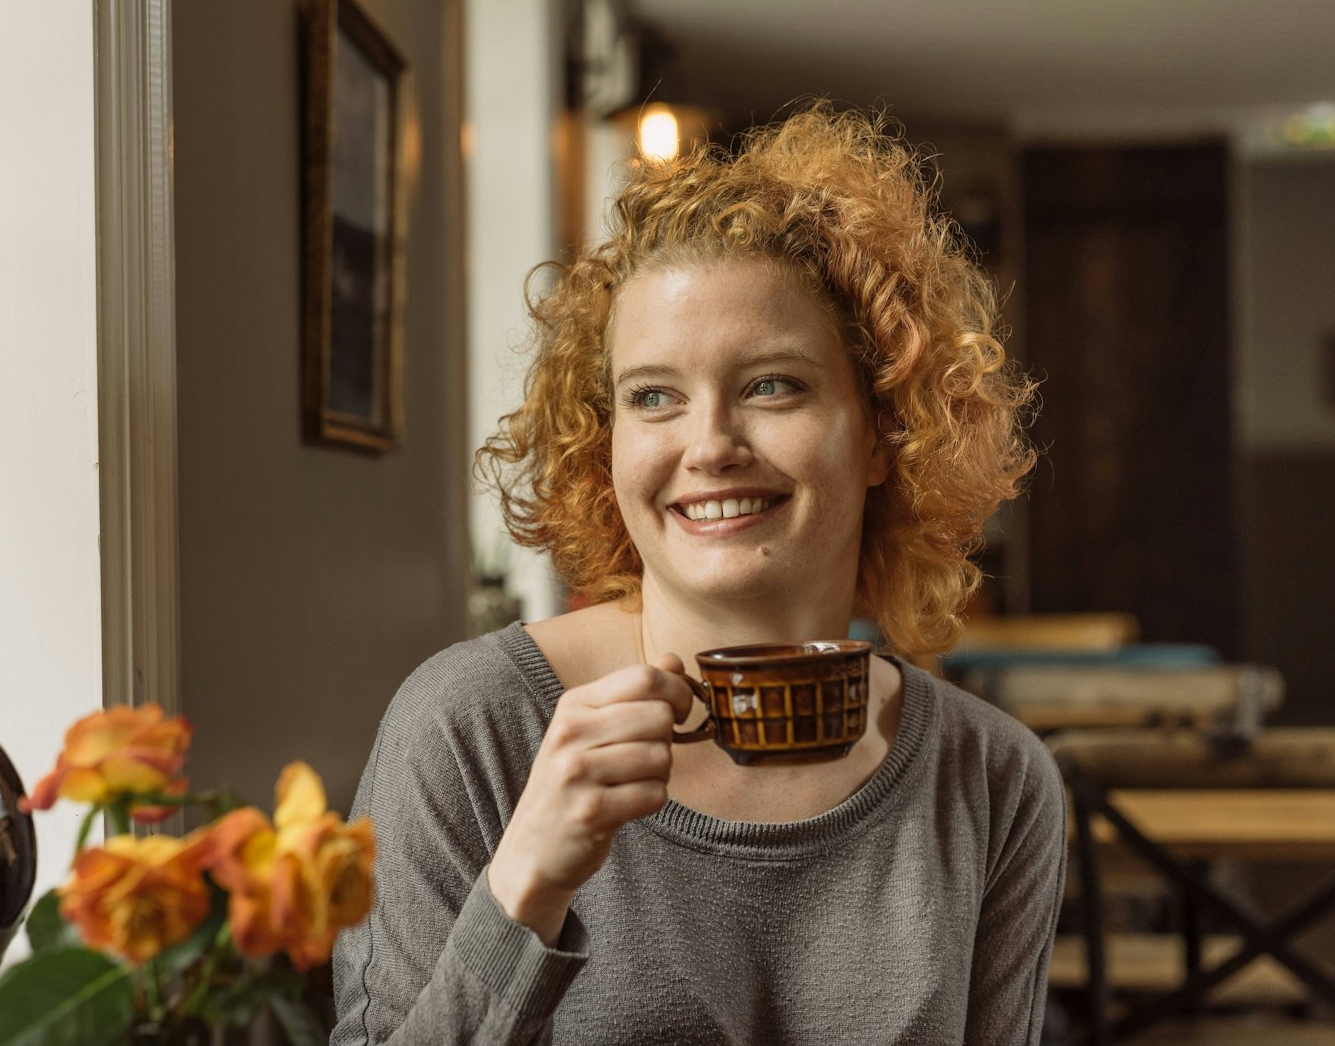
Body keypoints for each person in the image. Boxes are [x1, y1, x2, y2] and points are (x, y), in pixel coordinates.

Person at [331, 103, 1063, 1045]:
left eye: (772, 385)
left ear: (885, 430)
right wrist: (527, 886)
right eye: (655, 398)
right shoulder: (471, 728)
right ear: (607, 442)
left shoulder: (992, 779)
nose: (709, 445)